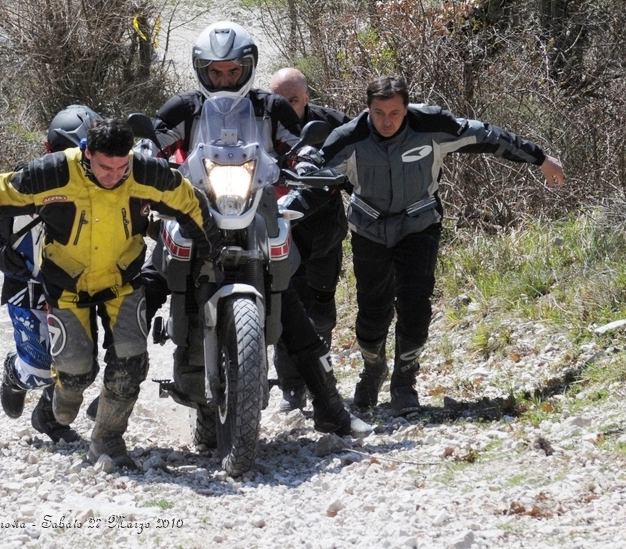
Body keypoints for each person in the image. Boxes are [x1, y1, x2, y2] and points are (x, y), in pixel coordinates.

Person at [0, 118, 222, 469]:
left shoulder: (147, 173)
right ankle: (51, 411)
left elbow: (192, 204)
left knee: (130, 364)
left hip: (123, 282)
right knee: (75, 376)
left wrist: (214, 253)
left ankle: (108, 443)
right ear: (87, 152)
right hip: (67, 286)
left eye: (121, 167)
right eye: (105, 166)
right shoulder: (53, 173)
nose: (113, 176)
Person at [144, 21, 370, 437]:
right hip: (197, 206)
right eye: (216, 72)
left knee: (292, 305)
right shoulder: (184, 106)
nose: (225, 79)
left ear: (248, 67)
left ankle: (331, 410)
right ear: (202, 70)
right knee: (145, 287)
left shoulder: (270, 106)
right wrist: (147, 158)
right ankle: (112, 396)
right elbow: (153, 139)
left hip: (257, 205)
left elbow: (300, 141)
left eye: (233, 71)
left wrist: (306, 160)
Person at [320, 75, 566, 414]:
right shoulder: (348, 137)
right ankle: (372, 370)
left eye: (394, 113)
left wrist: (539, 158)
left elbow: (489, 136)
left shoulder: (433, 125)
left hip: (419, 226)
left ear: (406, 108)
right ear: (368, 109)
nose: (387, 121)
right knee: (373, 314)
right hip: (369, 230)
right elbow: (311, 175)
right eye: (379, 113)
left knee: (415, 305)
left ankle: (404, 383)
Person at [0, 104, 100, 444]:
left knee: (81, 363)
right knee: (38, 367)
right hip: (31, 282)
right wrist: (3, 252)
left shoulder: (109, 185)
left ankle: (47, 417)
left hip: (77, 286)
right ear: (49, 151)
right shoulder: (28, 180)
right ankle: (15, 373)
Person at [269, 67, 351, 413]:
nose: (286, 108)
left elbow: (364, 156)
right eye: (279, 102)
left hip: (322, 231)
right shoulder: (259, 124)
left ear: (307, 98)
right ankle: (291, 388)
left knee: (320, 310)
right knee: (286, 308)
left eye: (293, 101)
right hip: (276, 233)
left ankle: (321, 384)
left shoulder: (332, 124)